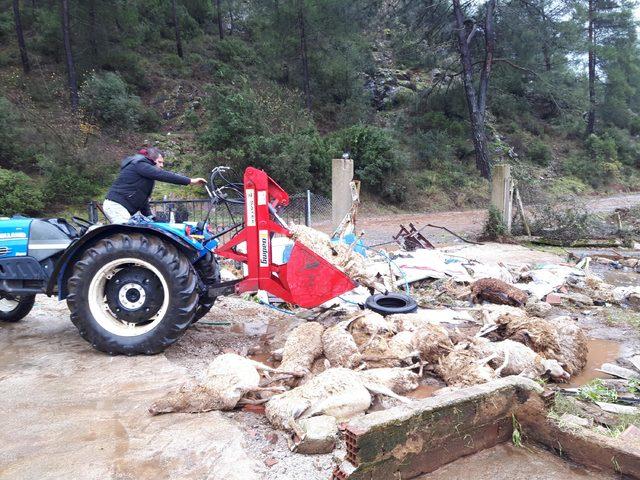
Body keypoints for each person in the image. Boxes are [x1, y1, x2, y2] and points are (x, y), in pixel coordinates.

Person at [103, 147, 207, 223]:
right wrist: (191, 181)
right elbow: (163, 175)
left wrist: (150, 217)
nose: (162, 165)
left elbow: (142, 199)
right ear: (152, 160)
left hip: (120, 207)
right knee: (126, 236)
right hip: (116, 206)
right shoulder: (140, 164)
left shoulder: (145, 175)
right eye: (160, 162)